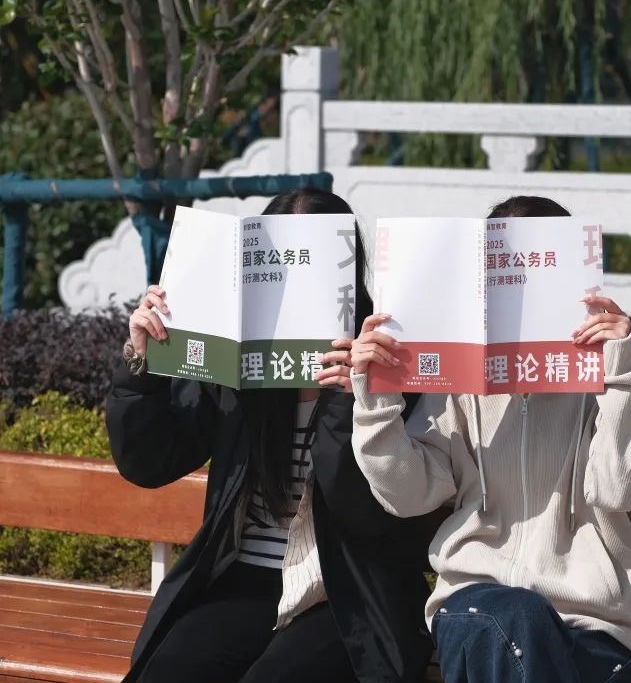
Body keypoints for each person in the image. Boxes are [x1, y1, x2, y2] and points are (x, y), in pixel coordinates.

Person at [106, 189, 436, 683]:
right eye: (278, 270)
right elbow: (149, 461)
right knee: (169, 671)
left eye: (309, 266)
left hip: (349, 591)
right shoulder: (238, 360)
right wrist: (142, 367)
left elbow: (365, 512)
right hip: (245, 578)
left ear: (345, 268)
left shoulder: (383, 358)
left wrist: (354, 397)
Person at [349, 195, 631, 683]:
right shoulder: (458, 382)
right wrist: (376, 396)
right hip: (476, 606)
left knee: (530, 631)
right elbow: (408, 495)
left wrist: (624, 374)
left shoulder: (606, 376)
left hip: (594, 625)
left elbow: (621, 489)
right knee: (515, 616)